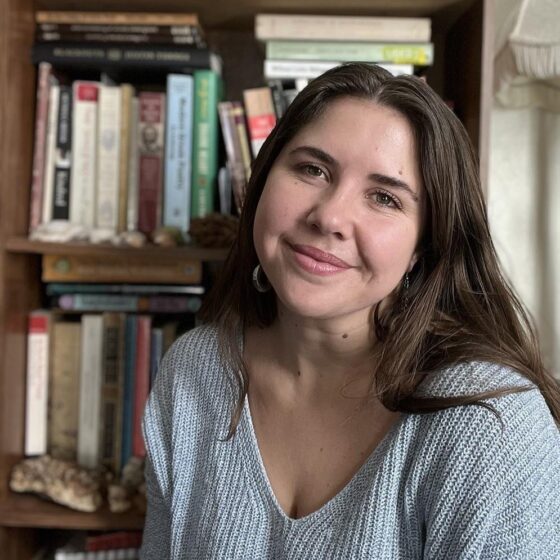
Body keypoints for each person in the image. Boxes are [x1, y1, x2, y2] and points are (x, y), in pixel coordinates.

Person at [139, 63, 560, 559]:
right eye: (312, 169)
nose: (330, 216)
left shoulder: (489, 424)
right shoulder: (193, 370)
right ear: (262, 179)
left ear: (424, 248)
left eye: (384, 197)